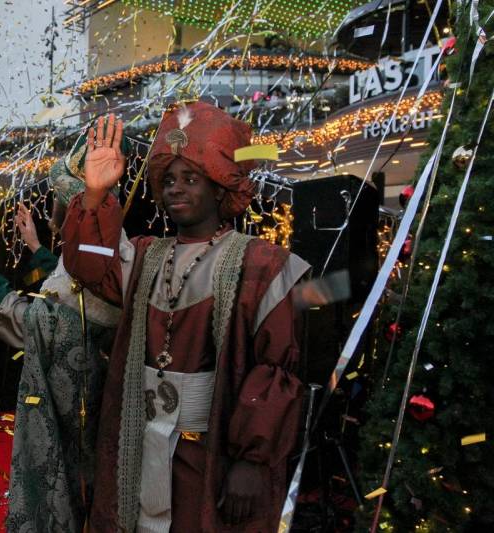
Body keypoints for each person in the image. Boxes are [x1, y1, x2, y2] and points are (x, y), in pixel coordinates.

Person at [62, 107, 309, 532]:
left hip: (210, 454)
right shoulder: (142, 255)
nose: (176, 189)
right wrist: (95, 195)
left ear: (219, 189)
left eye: (191, 179)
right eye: (170, 180)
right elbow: (89, 268)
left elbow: (275, 372)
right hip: (139, 444)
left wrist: (251, 461)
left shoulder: (264, 264)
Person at [0, 144, 124, 531]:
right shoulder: (96, 249)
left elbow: (55, 323)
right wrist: (35, 247)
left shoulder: (106, 258)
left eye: (60, 207)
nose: (52, 215)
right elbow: (67, 282)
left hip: (76, 424)